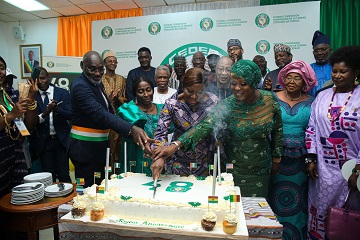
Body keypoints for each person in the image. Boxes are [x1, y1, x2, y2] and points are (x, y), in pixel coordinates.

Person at [152, 60, 283, 198]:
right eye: (234, 83)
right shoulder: (226, 105)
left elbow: (278, 130)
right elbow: (202, 127)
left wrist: (277, 158)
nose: (237, 88)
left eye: (243, 84)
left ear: (254, 82)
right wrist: (172, 147)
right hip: (223, 168)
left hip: (253, 167)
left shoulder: (269, 100)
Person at [67, 51, 151, 187]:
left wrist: (132, 131)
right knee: (86, 190)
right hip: (84, 148)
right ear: (82, 65)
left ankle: (98, 208)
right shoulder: (80, 86)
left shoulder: (96, 84)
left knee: (99, 188)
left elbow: (109, 111)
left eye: (101, 69)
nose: (97, 73)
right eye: (92, 69)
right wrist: (131, 129)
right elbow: (99, 114)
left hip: (99, 147)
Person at [306, 45, 360, 240]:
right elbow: (312, 127)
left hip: (350, 172)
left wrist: (358, 171)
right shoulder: (322, 96)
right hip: (323, 170)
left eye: (343, 71)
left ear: (356, 72)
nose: (337, 76)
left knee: (347, 218)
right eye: (334, 71)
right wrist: (310, 158)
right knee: (319, 213)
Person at [268, 60, 317, 239]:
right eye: (288, 77)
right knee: (274, 197)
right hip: (276, 159)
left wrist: (312, 159)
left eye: (297, 78)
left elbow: (315, 129)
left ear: (305, 82)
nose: (292, 81)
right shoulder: (271, 98)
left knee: (298, 200)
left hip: (300, 161)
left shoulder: (313, 102)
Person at [151, 68, 220, 177]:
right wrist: (159, 157)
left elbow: (206, 129)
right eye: (190, 91)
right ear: (183, 87)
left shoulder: (213, 102)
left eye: (200, 92)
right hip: (178, 163)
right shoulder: (172, 104)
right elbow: (160, 133)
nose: (194, 97)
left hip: (206, 164)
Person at [0, 56, 38, 198]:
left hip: (15, 159)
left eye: (2, 68)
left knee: (16, 203)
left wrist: (31, 100)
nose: (0, 72)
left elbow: (28, 126)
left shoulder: (10, 95)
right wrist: (10, 115)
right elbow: (11, 116)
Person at [28, 67, 72, 183]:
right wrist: (46, 112)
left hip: (61, 140)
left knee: (64, 175)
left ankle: (67, 199)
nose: (40, 82)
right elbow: (32, 123)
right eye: (37, 79)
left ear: (49, 78)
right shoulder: (32, 97)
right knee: (49, 176)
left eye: (43, 78)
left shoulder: (62, 93)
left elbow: (71, 114)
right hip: (44, 142)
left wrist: (57, 109)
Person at [117, 77, 163, 175]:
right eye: (141, 91)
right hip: (134, 159)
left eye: (148, 90)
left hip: (158, 159)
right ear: (135, 94)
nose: (146, 94)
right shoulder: (127, 110)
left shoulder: (163, 109)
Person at [101, 51, 127, 168]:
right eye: (110, 61)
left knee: (119, 148)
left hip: (119, 117)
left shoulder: (122, 79)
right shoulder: (99, 79)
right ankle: (108, 172)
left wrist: (119, 99)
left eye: (115, 61)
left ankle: (119, 173)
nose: (113, 63)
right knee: (106, 149)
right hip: (104, 119)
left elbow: (126, 99)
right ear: (104, 63)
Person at [309, 30, 332, 97]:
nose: (319, 53)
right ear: (313, 53)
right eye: (316, 50)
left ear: (330, 50)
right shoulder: (308, 69)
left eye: (323, 49)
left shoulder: (337, 68)